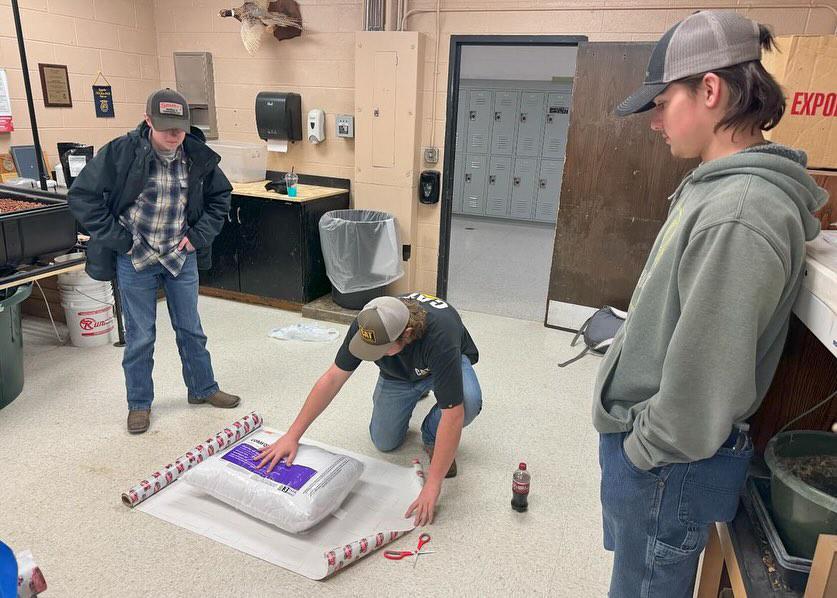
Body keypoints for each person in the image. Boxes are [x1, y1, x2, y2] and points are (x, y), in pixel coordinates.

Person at [593, 11, 828, 598]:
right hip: (660, 460)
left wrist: (642, 452)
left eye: (661, 101)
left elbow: (702, 383)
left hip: (667, 466)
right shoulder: (717, 187)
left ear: (710, 89)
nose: (654, 122)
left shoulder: (739, 211)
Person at [68, 88, 241, 434]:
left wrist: (199, 236)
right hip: (137, 257)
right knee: (141, 335)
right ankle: (139, 404)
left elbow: (221, 197)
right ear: (148, 120)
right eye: (166, 128)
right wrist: (120, 241)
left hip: (180, 255)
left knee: (191, 329)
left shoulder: (196, 155)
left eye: (179, 127)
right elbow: (83, 196)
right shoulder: (121, 152)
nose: (175, 135)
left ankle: (203, 389)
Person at [256, 293, 482, 526]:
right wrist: (292, 435)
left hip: (441, 365)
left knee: (468, 401)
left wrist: (433, 485)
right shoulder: (368, 322)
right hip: (398, 375)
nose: (371, 353)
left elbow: (453, 415)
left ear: (406, 334)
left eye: (380, 349)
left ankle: (431, 434)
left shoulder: (441, 335)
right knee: (384, 442)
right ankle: (412, 391)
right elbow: (333, 378)